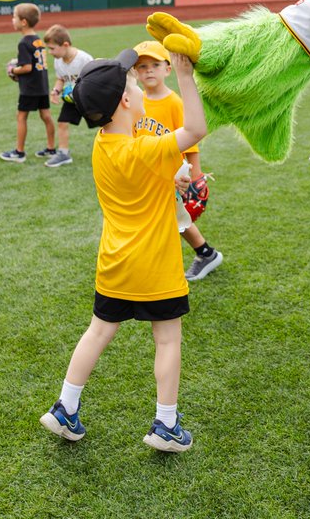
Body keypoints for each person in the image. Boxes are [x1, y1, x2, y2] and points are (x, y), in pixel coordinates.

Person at [39, 46, 207, 452]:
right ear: (128, 101)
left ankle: (66, 406)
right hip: (156, 266)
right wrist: (184, 75)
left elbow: (146, 175)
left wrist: (173, 179)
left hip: (114, 262)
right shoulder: (146, 148)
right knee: (167, 340)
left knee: (98, 332)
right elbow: (196, 130)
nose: (138, 83)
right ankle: (166, 424)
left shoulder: (103, 146)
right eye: (133, 82)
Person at [132, 41, 223, 281]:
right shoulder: (136, 100)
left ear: (167, 69)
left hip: (172, 175)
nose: (149, 70)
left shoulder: (173, 103)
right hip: (146, 173)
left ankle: (202, 254)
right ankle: (206, 253)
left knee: (172, 218)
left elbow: (191, 141)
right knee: (168, 218)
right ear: (135, 72)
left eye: (155, 64)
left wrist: (197, 177)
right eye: (142, 66)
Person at [0, 3, 56, 163]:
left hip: (30, 88)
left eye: (14, 17)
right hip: (42, 85)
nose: (12, 20)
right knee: (46, 116)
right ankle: (51, 148)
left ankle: (19, 152)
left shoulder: (23, 42)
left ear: (23, 22)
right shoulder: (38, 40)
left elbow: (27, 67)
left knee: (21, 116)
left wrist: (12, 70)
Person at [42, 24, 93, 167]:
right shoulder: (58, 61)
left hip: (89, 98)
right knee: (62, 122)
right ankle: (63, 154)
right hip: (72, 99)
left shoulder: (84, 59)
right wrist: (55, 91)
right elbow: (61, 78)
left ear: (65, 45)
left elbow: (95, 78)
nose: (50, 52)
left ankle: (115, 146)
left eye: (52, 48)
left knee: (105, 122)